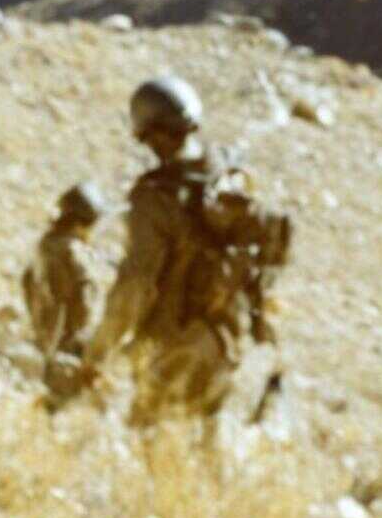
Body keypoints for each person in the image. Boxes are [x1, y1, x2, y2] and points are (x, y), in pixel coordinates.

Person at [82, 76, 289, 442]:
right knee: (211, 439)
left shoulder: (154, 197)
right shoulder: (228, 172)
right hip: (231, 337)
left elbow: (135, 284)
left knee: (148, 438)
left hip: (175, 340)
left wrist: (100, 349)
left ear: (150, 134)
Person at [22, 180, 105, 404]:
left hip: (47, 343)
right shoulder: (74, 253)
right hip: (70, 350)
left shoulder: (46, 245)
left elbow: (27, 283)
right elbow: (84, 303)